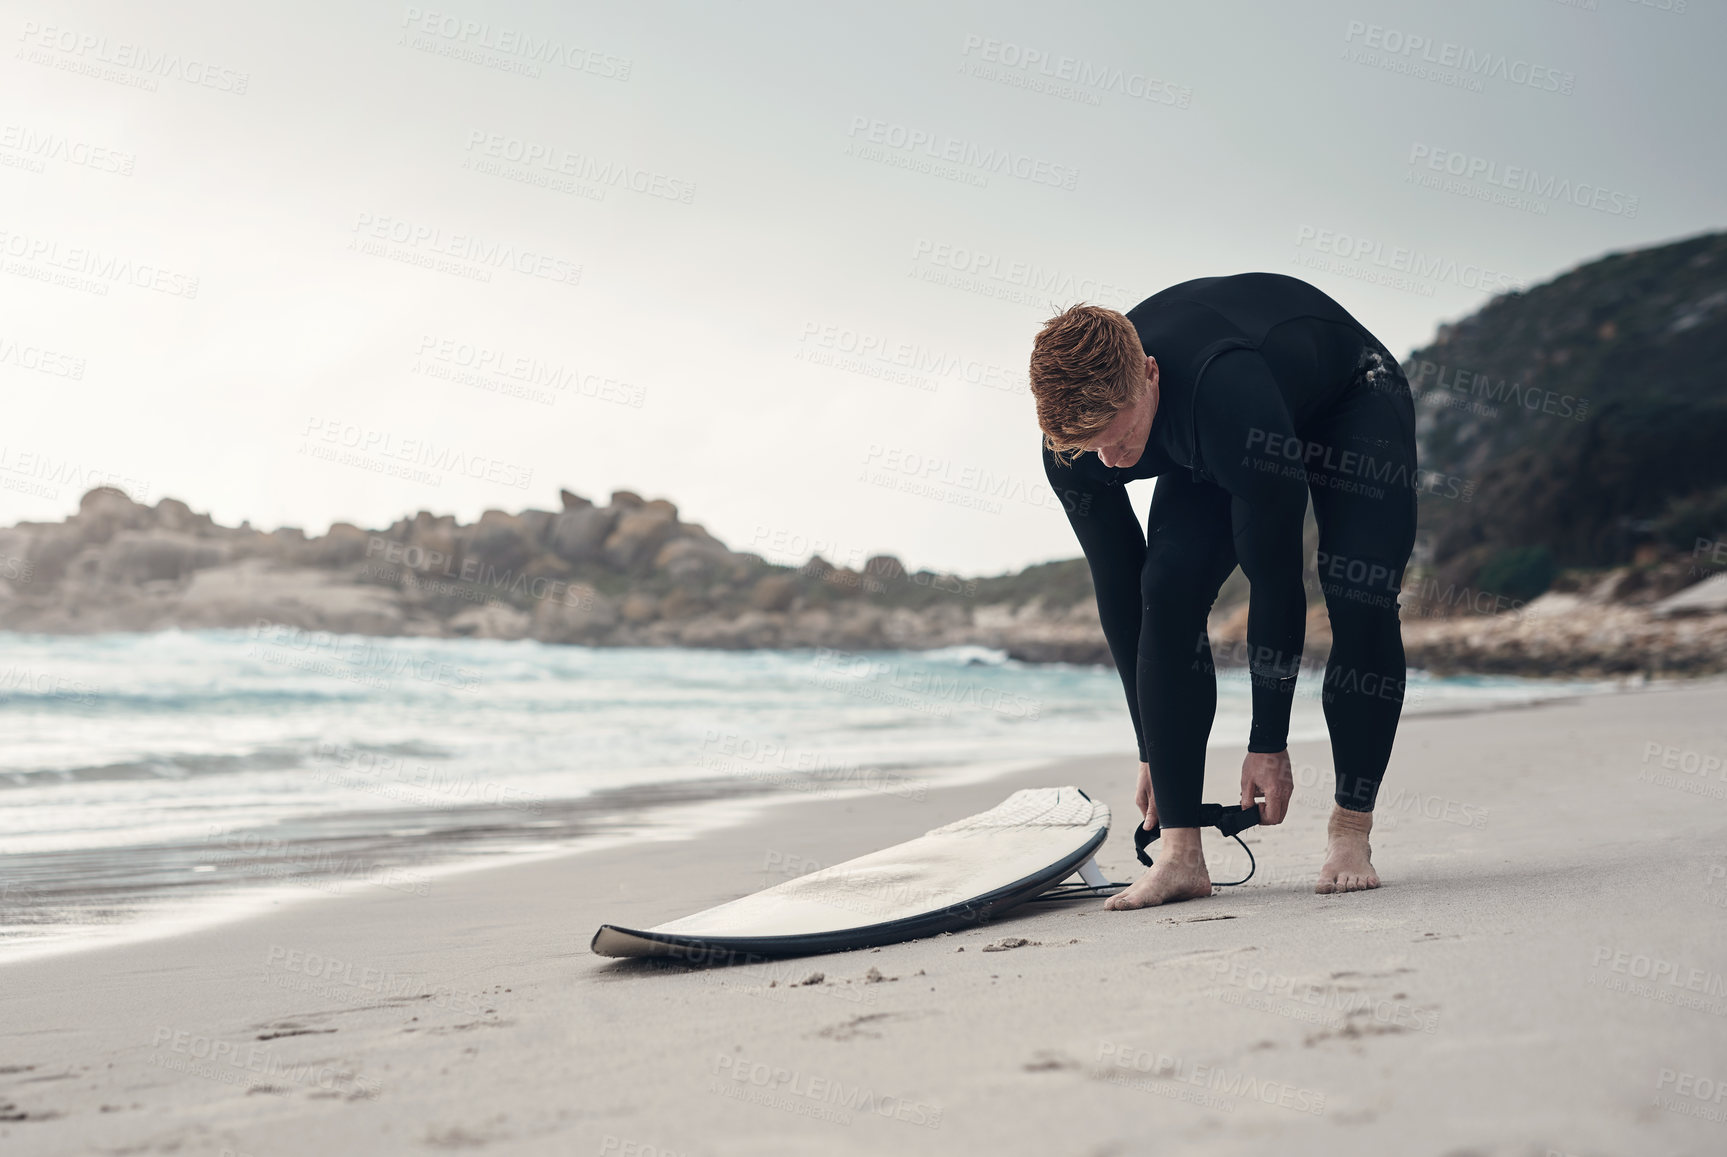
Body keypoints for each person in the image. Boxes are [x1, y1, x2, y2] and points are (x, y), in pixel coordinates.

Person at [1031, 272, 1418, 908]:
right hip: (1206, 427)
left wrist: (1269, 742)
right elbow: (1125, 598)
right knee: (1166, 590)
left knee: (1359, 594)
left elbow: (1273, 578)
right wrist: (1151, 748)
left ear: (1150, 375)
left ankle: (1351, 829)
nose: (1110, 461)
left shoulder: (1226, 397)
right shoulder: (1073, 446)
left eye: (1121, 437)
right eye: (1090, 447)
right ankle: (1182, 856)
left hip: (1348, 395)